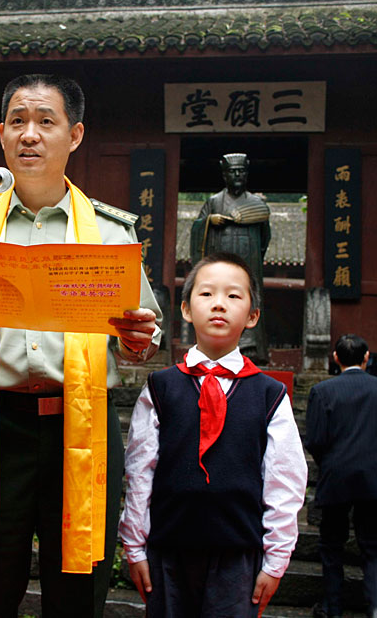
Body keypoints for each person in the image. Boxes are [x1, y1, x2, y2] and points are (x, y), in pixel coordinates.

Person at [0, 73, 161, 617]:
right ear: (1, 134)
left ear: (74, 135)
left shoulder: (110, 234)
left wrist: (139, 340)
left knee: (76, 588)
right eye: (18, 122)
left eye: (46, 121)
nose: (30, 134)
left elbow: (140, 341)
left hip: (83, 423)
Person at [119, 252, 306, 618]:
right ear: (186, 309)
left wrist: (276, 560)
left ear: (252, 316)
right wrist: (135, 547)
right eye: (206, 294)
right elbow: (140, 472)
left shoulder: (269, 395)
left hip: (238, 555)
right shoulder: (160, 388)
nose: (219, 304)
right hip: (168, 552)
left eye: (233, 295)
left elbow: (285, 481)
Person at [305, 333, 377, 618]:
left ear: (335, 358)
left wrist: (329, 463)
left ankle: (333, 607)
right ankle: (376, 607)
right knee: (373, 547)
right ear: (367, 358)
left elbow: (315, 440)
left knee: (331, 545)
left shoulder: (322, 391)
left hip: (336, 476)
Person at [189, 153, 271, 363]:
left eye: (241, 171)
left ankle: (251, 347)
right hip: (219, 258)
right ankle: (215, 346)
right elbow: (196, 229)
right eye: (233, 172)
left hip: (249, 259)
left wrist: (254, 256)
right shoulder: (214, 202)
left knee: (246, 297)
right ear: (225, 175)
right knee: (219, 298)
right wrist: (209, 220)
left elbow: (265, 237)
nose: (237, 175)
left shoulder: (256, 203)